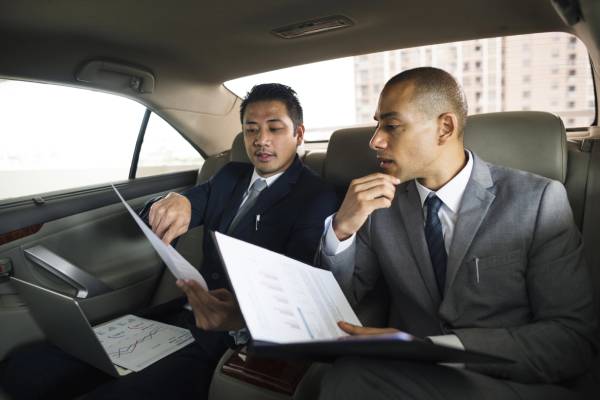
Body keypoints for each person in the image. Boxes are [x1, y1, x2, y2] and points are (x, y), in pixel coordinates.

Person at [0, 83, 339, 400]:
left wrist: (240, 317)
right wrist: (176, 201)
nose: (261, 139)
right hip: (181, 315)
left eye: (274, 128)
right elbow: (170, 208)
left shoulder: (317, 196)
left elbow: (299, 279)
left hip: (232, 337)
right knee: (26, 367)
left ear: (298, 133)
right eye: (251, 129)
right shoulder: (229, 175)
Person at [317, 67, 598, 399]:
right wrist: (342, 228)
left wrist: (428, 348)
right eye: (378, 124)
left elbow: (571, 340)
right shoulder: (380, 208)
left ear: (444, 127)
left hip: (512, 383)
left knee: (353, 379)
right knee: (345, 375)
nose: (375, 140)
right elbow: (336, 303)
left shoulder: (537, 201)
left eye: (391, 126)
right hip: (406, 380)